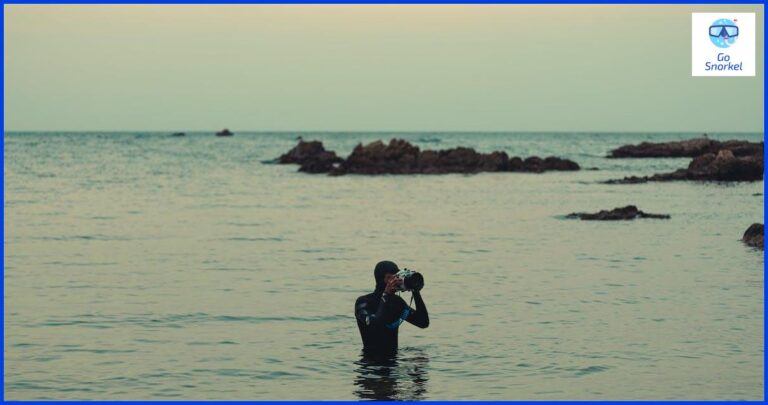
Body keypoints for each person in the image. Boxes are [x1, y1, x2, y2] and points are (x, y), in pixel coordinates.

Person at [354, 261, 429, 356]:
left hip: (393, 362)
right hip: (370, 363)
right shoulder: (363, 302)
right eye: (390, 278)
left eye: (396, 277)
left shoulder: (396, 302)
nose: (394, 281)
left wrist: (415, 290)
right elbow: (375, 324)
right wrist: (386, 295)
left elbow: (423, 322)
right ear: (380, 279)